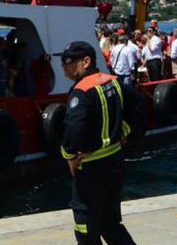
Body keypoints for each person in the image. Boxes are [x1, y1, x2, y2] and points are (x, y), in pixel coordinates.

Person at [57, 41, 145, 245]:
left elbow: (74, 129)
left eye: (68, 62)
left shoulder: (81, 91)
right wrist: (126, 131)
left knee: (85, 228)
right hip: (115, 162)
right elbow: (138, 103)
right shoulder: (112, 82)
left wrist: (70, 157)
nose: (64, 66)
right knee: (110, 224)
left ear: (85, 62)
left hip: (92, 170)